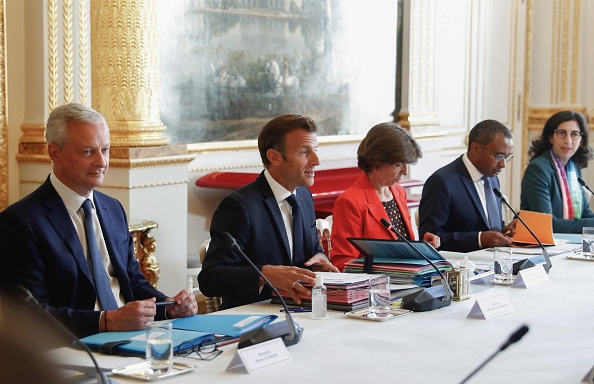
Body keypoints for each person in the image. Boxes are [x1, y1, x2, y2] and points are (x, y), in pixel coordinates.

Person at [0, 103, 197, 338]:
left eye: (105, 149)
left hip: (132, 337)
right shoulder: (20, 222)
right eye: (87, 152)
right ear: (54, 153)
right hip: (75, 348)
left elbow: (133, 283)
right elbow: (29, 315)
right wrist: (105, 322)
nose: (102, 162)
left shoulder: (112, 208)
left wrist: (169, 306)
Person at [198, 114, 339, 310]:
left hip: (303, 311)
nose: (316, 161)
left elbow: (313, 250)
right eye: (305, 152)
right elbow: (210, 278)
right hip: (255, 318)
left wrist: (320, 259)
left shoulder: (304, 196)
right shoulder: (239, 206)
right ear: (274, 157)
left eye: (315, 150)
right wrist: (262, 275)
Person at [330, 122, 440, 272]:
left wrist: (421, 247)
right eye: (398, 164)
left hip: (405, 281)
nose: (405, 171)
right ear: (376, 162)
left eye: (405, 164)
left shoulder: (398, 191)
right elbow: (343, 263)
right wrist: (388, 270)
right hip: (375, 288)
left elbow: (397, 249)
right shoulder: (350, 201)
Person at [418, 119, 516, 252]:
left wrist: (504, 230)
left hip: (496, 260)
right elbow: (429, 240)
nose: (503, 164)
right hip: (460, 266)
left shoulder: (492, 179)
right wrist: (479, 239)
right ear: (475, 148)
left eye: (507, 157)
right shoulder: (442, 182)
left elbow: (485, 223)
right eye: (498, 156)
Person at [520, 110, 594, 233]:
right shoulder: (538, 169)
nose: (568, 141)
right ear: (550, 137)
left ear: (581, 140)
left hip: (568, 243)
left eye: (574, 134)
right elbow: (548, 224)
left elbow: (584, 213)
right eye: (561, 133)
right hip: (540, 245)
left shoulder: (573, 167)